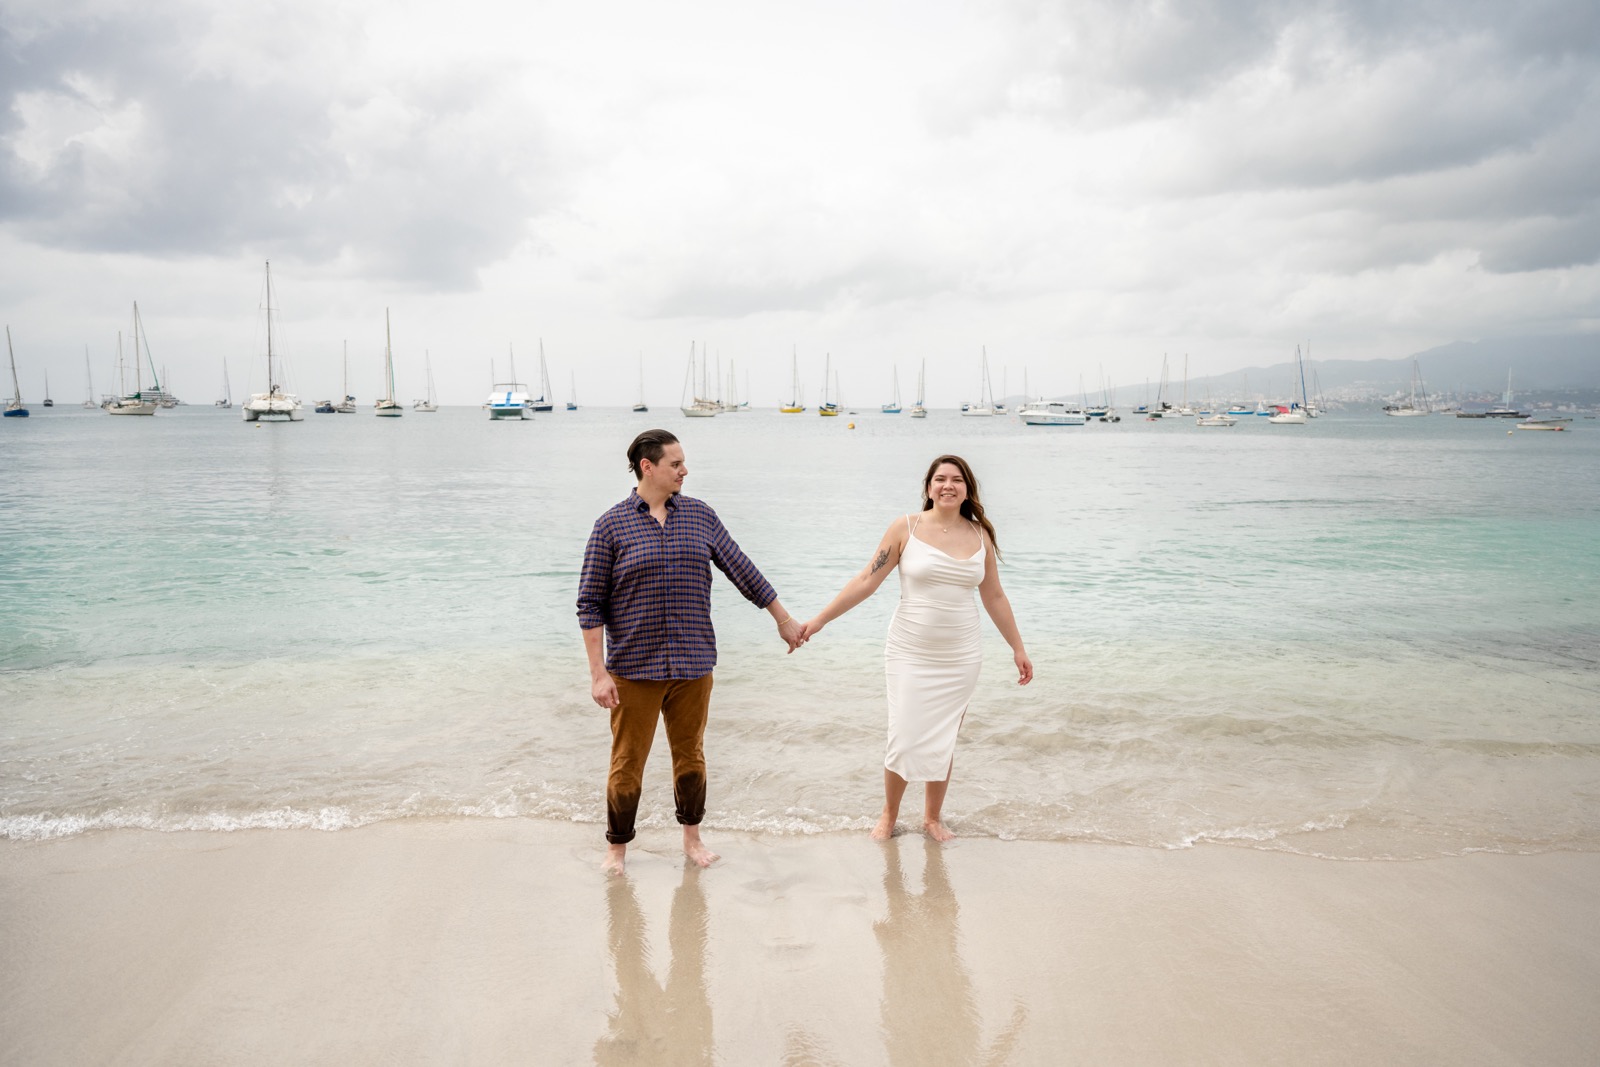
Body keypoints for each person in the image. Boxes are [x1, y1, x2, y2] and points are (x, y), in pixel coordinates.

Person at [578, 429, 805, 876]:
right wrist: (598, 673)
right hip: (634, 668)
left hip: (693, 663)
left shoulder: (700, 517)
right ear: (649, 467)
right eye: (676, 464)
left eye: (683, 463)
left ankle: (692, 839)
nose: (685, 471)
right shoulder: (610, 525)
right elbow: (590, 602)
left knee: (691, 756)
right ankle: (617, 848)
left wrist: (783, 619)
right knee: (627, 763)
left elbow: (743, 570)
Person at [799, 454, 1031, 841]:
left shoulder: (980, 536)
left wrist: (1017, 648)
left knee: (943, 737)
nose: (948, 485)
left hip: (961, 654)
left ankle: (932, 818)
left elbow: (994, 596)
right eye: (940, 479)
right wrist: (820, 621)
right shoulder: (905, 527)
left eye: (957, 480)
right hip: (909, 650)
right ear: (928, 487)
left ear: (967, 489)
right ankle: (888, 816)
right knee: (904, 734)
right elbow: (865, 581)